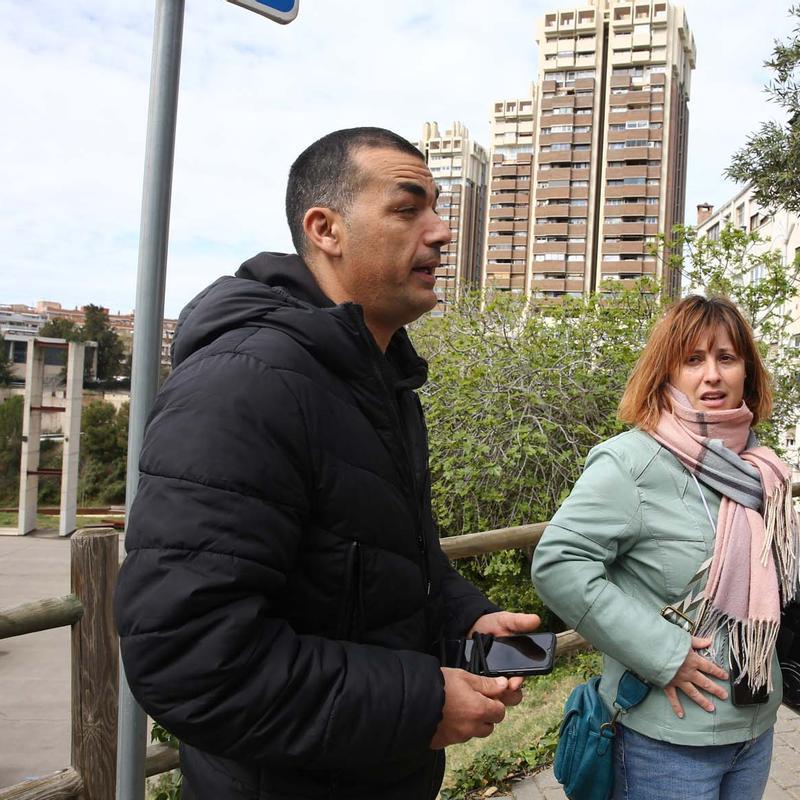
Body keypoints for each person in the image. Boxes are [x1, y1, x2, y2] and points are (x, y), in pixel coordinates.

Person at [114, 127, 540, 800]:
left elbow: (393, 564)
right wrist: (418, 704)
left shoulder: (381, 385)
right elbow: (187, 658)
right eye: (408, 208)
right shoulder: (246, 385)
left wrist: (465, 619)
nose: (440, 232)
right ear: (326, 229)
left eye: (437, 207)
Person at [532, 295, 800, 799]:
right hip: (665, 739)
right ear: (666, 370)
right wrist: (664, 653)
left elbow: (752, 571)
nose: (712, 375)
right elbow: (559, 565)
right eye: (693, 359)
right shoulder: (632, 463)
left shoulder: (759, 468)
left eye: (726, 358)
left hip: (753, 726)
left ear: (746, 371)